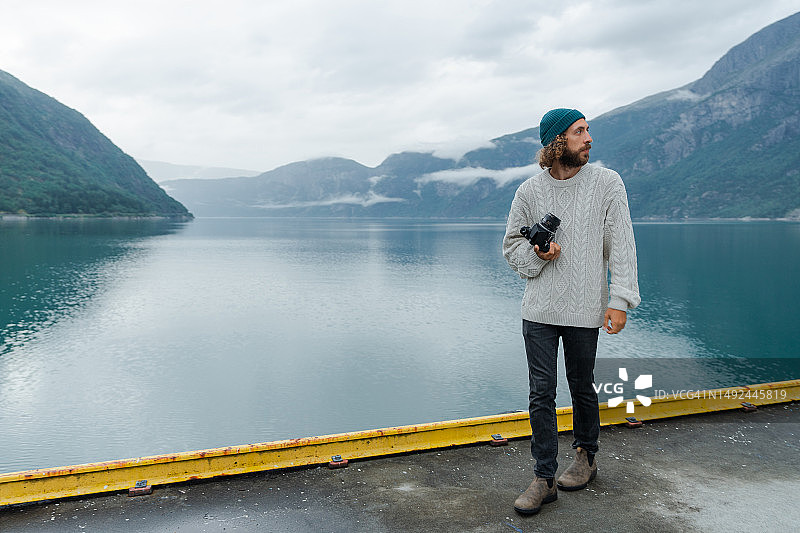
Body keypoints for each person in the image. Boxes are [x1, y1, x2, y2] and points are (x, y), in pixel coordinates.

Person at [502, 108, 640, 515]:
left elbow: (622, 243)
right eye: (580, 131)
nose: (589, 138)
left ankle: (586, 457)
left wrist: (620, 299)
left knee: (582, 385)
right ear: (557, 141)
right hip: (539, 310)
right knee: (541, 393)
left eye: (588, 130)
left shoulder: (607, 182)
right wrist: (541, 255)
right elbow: (512, 249)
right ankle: (544, 478)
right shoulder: (529, 192)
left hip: (585, 307)